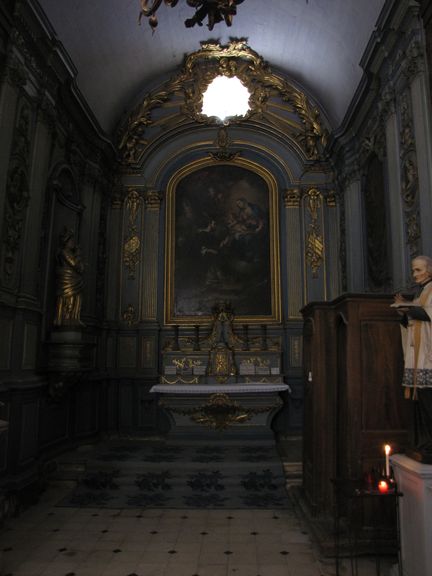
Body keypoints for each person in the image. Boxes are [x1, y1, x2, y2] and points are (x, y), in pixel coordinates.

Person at [394, 255, 432, 458]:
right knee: (420, 403)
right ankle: (424, 443)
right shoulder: (421, 294)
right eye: (414, 270)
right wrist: (404, 313)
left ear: (430, 270)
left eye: (419, 270)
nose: (415, 274)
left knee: (428, 401)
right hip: (419, 357)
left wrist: (410, 309)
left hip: (428, 357)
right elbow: (413, 324)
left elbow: (428, 315)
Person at [54, 228, 85, 327]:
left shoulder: (72, 253)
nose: (73, 243)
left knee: (77, 298)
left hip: (75, 279)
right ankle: (66, 318)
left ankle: (74, 318)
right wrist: (78, 255)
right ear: (66, 241)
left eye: (73, 240)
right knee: (69, 300)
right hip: (67, 280)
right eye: (71, 240)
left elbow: (80, 268)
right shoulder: (64, 252)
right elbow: (74, 264)